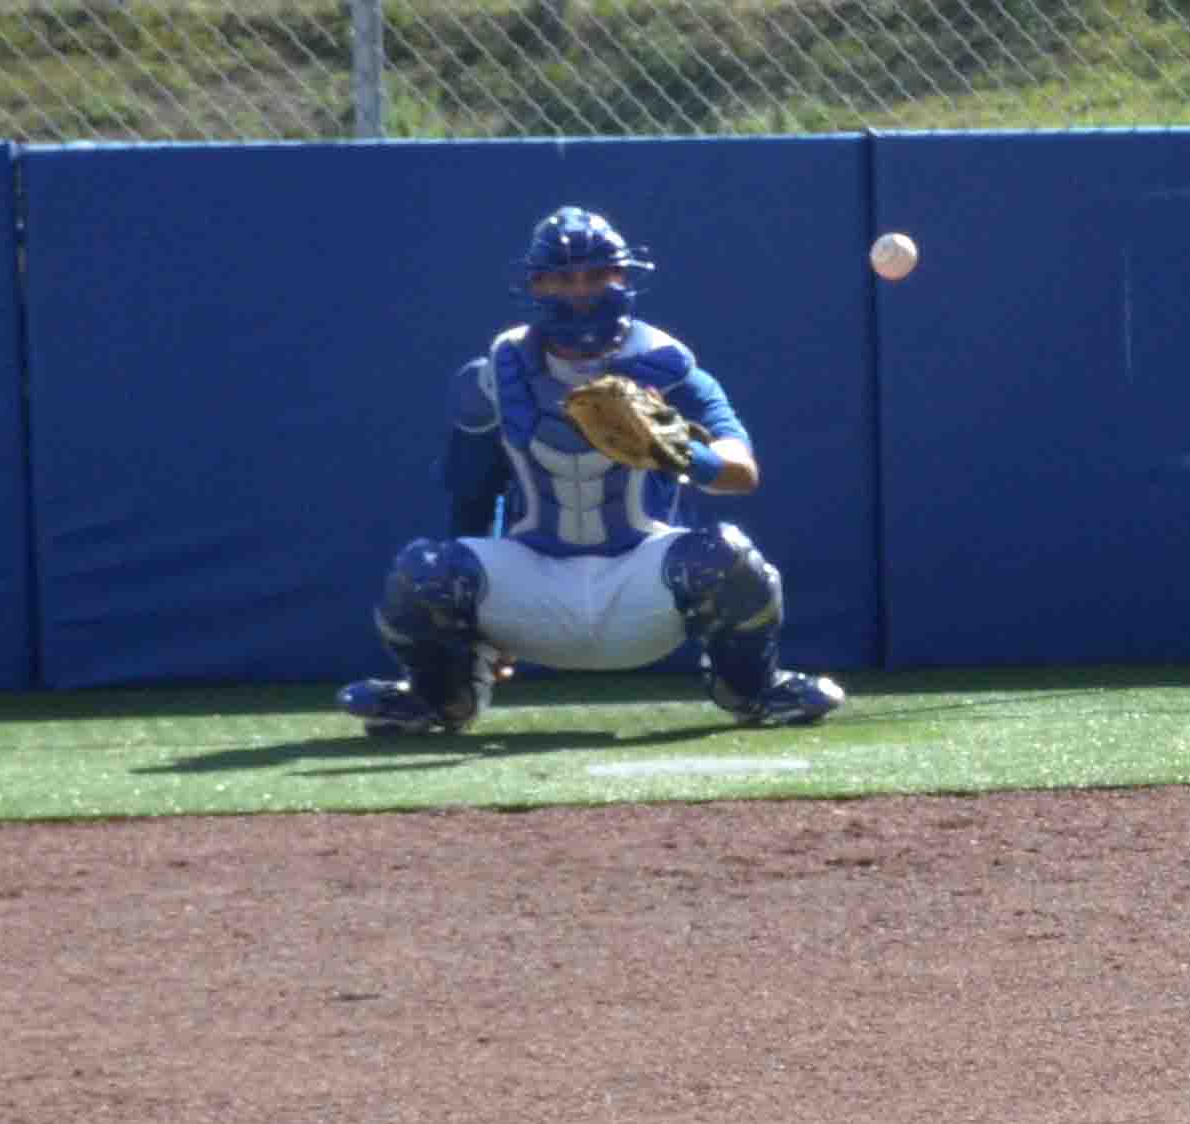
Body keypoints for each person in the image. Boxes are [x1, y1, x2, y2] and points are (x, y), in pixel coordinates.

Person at [333, 206, 846, 736]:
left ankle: (753, 690)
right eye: (563, 278)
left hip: (642, 580)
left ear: (624, 278)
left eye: (598, 275)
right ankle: (441, 697)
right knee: (424, 570)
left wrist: (682, 453)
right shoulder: (491, 379)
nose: (581, 292)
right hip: (534, 577)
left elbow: (742, 473)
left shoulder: (671, 368)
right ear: (536, 285)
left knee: (728, 556)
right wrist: (470, 612)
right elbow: (472, 499)